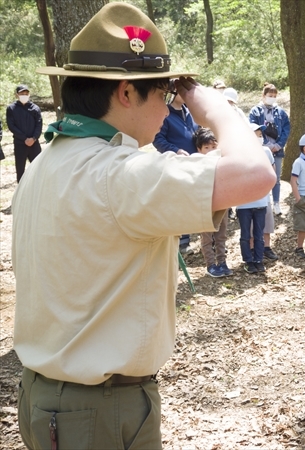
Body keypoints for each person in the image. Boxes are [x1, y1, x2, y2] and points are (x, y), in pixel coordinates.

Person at [14, 4, 275, 449]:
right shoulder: (119, 174)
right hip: (98, 410)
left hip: (52, 398)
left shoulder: (48, 164)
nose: (171, 109)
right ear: (126, 94)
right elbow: (257, 174)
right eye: (163, 94)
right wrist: (213, 106)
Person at [153, 83, 199, 254]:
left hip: (193, 164)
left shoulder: (190, 112)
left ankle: (187, 238)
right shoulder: (165, 114)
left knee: (189, 203)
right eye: (182, 92)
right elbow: (158, 140)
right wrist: (176, 151)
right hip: (175, 165)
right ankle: (180, 242)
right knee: (179, 201)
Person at [193, 127, 233, 277]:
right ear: (199, 149)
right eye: (206, 147)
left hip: (222, 204)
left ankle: (222, 262)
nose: (210, 151)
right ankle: (210, 265)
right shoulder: (198, 163)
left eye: (213, 147)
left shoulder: (222, 162)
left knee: (221, 234)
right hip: (206, 205)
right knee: (207, 236)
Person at [237, 123, 276, 274]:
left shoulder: (266, 151)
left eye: (260, 134)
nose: (259, 137)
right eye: (256, 134)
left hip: (261, 201)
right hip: (243, 204)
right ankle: (248, 261)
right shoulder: (238, 153)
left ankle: (258, 260)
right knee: (246, 234)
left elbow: (272, 174)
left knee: (259, 234)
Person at [249, 83, 291, 216]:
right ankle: (262, 202)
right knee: (261, 176)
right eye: (269, 95)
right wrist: (266, 144)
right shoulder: (255, 111)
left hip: (277, 150)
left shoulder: (280, 112)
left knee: (276, 177)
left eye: (274, 96)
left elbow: (286, 128)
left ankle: (277, 203)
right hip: (261, 149)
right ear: (263, 95)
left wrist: (279, 144)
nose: (272, 98)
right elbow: (253, 128)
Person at [6, 84, 42, 182]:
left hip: (34, 144)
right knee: (20, 169)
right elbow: (11, 126)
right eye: (22, 93)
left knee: (38, 169)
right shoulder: (11, 109)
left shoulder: (35, 108)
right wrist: (24, 139)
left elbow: (39, 125)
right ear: (16, 95)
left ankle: (37, 189)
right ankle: (20, 193)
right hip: (20, 144)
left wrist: (34, 138)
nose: (24, 95)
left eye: (26, 93)